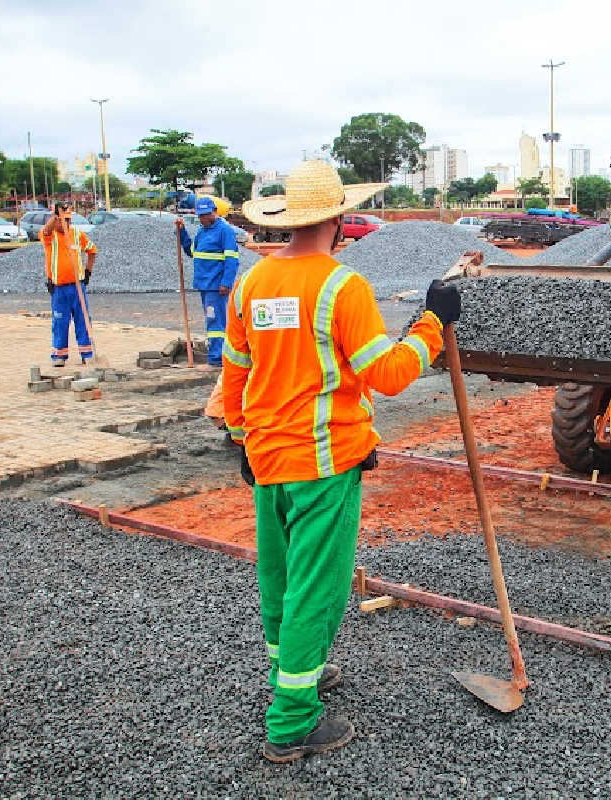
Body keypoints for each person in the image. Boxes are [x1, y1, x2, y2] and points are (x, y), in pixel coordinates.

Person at [220, 159, 460, 763]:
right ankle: (293, 720)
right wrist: (433, 324)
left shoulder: (251, 284)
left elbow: (235, 371)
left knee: (279, 577)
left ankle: (294, 672)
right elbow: (390, 374)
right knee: (315, 587)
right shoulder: (340, 287)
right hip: (323, 464)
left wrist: (240, 434)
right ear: (338, 219)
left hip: (268, 458)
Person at [175, 197, 240, 367]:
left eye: (206, 215)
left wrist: (226, 283)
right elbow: (192, 252)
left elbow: (232, 260)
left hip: (216, 285)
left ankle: (218, 357)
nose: (203, 218)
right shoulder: (201, 232)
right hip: (204, 284)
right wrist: (182, 233)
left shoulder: (224, 231)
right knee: (213, 320)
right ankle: (217, 355)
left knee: (216, 321)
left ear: (215, 212)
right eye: (201, 216)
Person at [41, 203, 98, 367]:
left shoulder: (77, 235)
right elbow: (45, 231)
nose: (65, 224)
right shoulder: (50, 236)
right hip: (59, 287)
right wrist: (56, 216)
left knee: (83, 319)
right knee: (60, 321)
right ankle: (59, 355)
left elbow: (92, 250)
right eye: (62, 221)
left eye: (67, 221)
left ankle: (87, 353)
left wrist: (88, 271)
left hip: (77, 286)